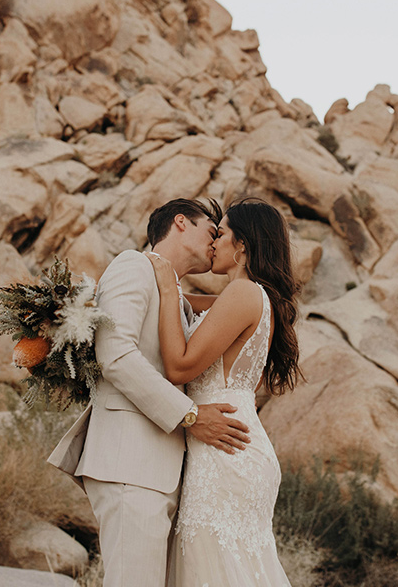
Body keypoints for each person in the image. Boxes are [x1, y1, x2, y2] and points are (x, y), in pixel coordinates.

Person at [47, 198, 251, 587]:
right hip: (131, 462)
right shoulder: (133, 265)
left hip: (163, 469)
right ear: (180, 223)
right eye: (212, 231)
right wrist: (189, 414)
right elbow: (116, 354)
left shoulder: (175, 291)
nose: (215, 243)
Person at [146, 197, 303, 587]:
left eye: (222, 234)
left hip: (225, 451)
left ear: (244, 246)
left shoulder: (243, 293)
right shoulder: (247, 297)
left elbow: (180, 366)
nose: (214, 243)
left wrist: (168, 291)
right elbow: (191, 307)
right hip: (231, 444)